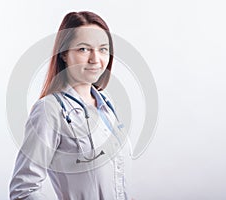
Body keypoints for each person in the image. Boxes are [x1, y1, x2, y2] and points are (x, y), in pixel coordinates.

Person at [10, 11, 135, 200]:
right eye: (83, 49)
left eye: (102, 49)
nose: (95, 59)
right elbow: (23, 190)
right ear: (64, 54)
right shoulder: (49, 110)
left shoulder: (107, 108)